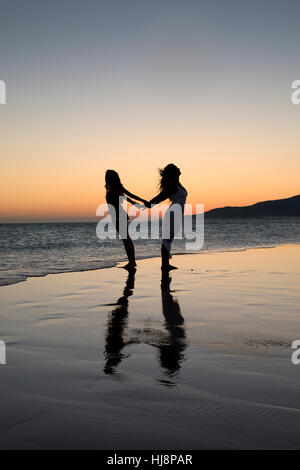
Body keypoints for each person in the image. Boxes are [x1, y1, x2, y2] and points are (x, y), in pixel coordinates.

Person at [147, 164, 187, 271]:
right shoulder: (172, 186)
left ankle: (166, 264)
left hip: (177, 214)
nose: (179, 169)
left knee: (169, 239)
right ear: (174, 173)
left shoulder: (177, 184)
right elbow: (161, 196)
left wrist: (151, 203)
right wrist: (150, 203)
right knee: (166, 239)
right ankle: (164, 265)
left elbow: (161, 196)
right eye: (177, 168)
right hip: (173, 213)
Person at [105, 170, 147, 269]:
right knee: (127, 239)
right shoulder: (113, 188)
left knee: (126, 239)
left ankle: (132, 262)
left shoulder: (115, 188)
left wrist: (141, 202)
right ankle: (132, 262)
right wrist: (136, 204)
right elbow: (126, 197)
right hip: (118, 215)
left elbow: (129, 196)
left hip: (119, 216)